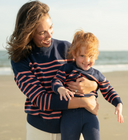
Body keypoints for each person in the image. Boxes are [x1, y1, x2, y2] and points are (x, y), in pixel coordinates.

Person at [6, 1, 99, 140]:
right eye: (42, 33)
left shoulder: (66, 48)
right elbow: (41, 100)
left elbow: (90, 74)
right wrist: (83, 102)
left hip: (73, 128)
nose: (49, 35)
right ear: (28, 33)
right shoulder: (20, 59)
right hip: (40, 131)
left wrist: (93, 85)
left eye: (51, 27)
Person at [51, 30, 124, 140]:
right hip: (69, 117)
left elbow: (108, 90)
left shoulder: (97, 75)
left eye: (91, 56)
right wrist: (60, 88)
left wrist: (118, 104)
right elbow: (56, 81)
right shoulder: (67, 69)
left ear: (96, 55)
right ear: (74, 54)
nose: (87, 60)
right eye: (82, 55)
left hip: (90, 116)